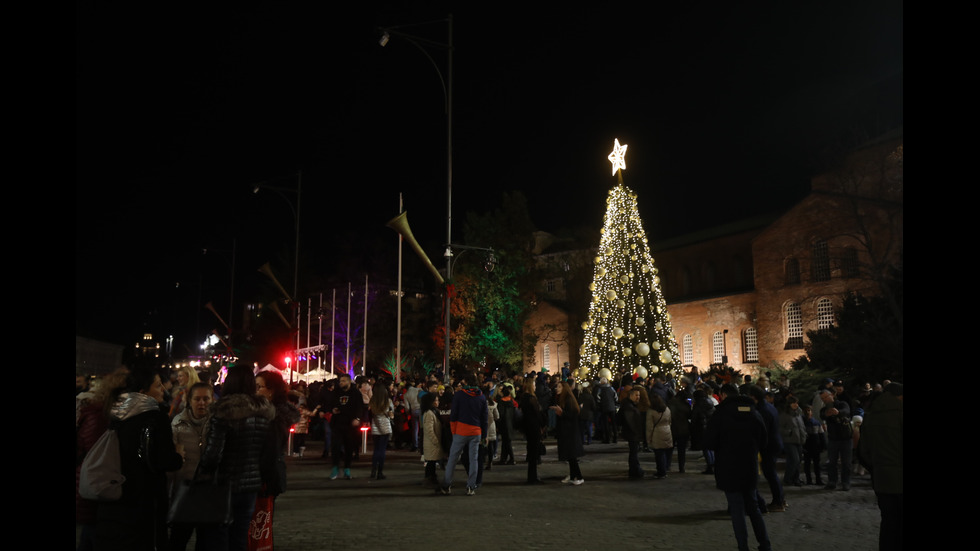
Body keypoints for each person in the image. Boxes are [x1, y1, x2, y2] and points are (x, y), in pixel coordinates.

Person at [95, 367, 184, 551]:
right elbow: (165, 461)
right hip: (146, 499)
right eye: (158, 385)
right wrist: (179, 456)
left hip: (118, 495)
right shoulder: (156, 418)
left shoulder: (116, 415)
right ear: (143, 392)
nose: (163, 390)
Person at [196, 363, 276, 551]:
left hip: (223, 484)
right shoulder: (263, 413)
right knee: (240, 536)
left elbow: (213, 454)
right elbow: (267, 452)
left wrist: (203, 471)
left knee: (219, 536)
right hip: (250, 484)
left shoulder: (224, 411)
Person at [704, 383, 772, 551]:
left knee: (737, 509)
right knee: (753, 507)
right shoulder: (753, 412)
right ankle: (765, 544)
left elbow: (710, 441)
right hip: (749, 464)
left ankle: (743, 546)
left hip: (728, 466)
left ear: (724, 395)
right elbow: (764, 440)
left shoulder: (721, 414)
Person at [76, 368, 126, 551]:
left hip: (94, 487)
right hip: (98, 488)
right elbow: (98, 457)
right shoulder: (100, 417)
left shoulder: (97, 413)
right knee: (95, 534)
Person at [168, 382, 214, 551]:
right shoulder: (178, 424)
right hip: (184, 490)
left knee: (205, 541)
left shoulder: (217, 424)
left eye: (206, 399)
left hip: (208, 490)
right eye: (197, 399)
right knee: (178, 539)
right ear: (189, 401)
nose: (202, 403)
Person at [859, 382, 903, 551]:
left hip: (882, 479)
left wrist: (876, 468)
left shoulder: (871, 415)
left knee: (889, 522)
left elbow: (863, 452)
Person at [439, 372, 489, 495]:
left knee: (453, 459)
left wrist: (454, 430)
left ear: (466, 382)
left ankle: (447, 484)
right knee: (474, 459)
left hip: (461, 429)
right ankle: (471, 486)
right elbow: (484, 418)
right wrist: (484, 434)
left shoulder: (460, 395)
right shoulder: (481, 396)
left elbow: (454, 414)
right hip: (476, 431)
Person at [256, 369, 300, 494]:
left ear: (271, 391)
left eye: (259, 387)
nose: (255, 390)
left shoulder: (275, 417)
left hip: (266, 477)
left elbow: (271, 452)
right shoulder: (262, 412)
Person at [747, 384, 786, 512]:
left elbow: (761, 430)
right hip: (774, 443)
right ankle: (780, 499)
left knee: (770, 474)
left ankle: (778, 501)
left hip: (769, 445)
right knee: (771, 473)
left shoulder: (762, 411)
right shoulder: (768, 406)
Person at [322, 373, 365, 480]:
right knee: (336, 446)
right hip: (337, 423)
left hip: (350, 424)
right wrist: (332, 409)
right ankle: (335, 467)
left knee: (349, 446)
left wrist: (357, 418)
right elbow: (330, 404)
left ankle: (347, 468)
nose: (341, 383)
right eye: (340, 381)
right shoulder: (336, 392)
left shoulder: (355, 393)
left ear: (349, 382)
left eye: (344, 381)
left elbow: (360, 407)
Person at [551, 380, 585, 485]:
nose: (557, 388)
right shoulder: (562, 399)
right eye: (557, 387)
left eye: (560, 387)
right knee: (569, 456)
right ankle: (572, 474)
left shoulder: (569, 399)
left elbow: (573, 415)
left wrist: (561, 413)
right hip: (566, 431)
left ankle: (579, 476)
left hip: (570, 432)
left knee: (572, 455)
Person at [820, 387, 853, 490]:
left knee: (846, 462)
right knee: (832, 462)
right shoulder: (824, 409)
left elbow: (846, 411)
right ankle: (832, 481)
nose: (825, 400)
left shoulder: (842, 404)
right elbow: (822, 415)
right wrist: (827, 414)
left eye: (826, 397)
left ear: (832, 395)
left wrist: (838, 412)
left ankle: (845, 482)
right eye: (823, 399)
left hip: (846, 438)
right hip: (833, 438)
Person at [519, 378, 545, 484]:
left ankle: (532, 476)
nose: (535, 386)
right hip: (533, 426)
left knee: (531, 451)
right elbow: (537, 413)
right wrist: (542, 425)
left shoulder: (523, 397)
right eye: (534, 384)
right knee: (534, 452)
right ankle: (532, 478)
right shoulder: (531, 398)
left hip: (528, 427)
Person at [617, 385, 645, 479]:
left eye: (639, 395)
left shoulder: (629, 405)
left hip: (631, 433)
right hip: (632, 433)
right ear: (631, 395)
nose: (638, 397)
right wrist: (637, 433)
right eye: (636, 395)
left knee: (633, 452)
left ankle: (634, 470)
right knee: (634, 452)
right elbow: (631, 422)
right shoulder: (629, 407)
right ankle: (635, 470)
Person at [779, 395, 807, 488]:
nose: (795, 405)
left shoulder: (798, 414)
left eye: (796, 403)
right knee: (795, 460)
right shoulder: (785, 415)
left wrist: (804, 434)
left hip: (799, 440)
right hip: (789, 440)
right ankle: (788, 478)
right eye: (793, 403)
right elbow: (779, 428)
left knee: (797, 461)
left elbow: (801, 426)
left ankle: (795, 478)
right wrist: (788, 432)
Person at [368, 381, 394, 479]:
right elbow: (391, 416)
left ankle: (373, 471)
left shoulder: (372, 401)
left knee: (376, 450)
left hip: (375, 427)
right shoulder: (388, 401)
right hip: (385, 427)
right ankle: (380, 472)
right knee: (382, 450)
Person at [420, 391, 447, 487]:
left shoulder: (435, 411)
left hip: (433, 442)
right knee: (431, 462)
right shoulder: (429, 413)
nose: (438, 402)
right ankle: (429, 479)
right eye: (436, 400)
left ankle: (431, 477)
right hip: (431, 443)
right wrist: (436, 441)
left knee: (432, 462)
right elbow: (429, 430)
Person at [646, 392, 673, 479]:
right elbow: (669, 421)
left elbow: (649, 426)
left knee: (659, 454)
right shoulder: (667, 409)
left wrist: (648, 438)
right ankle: (665, 468)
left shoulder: (651, 412)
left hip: (657, 432)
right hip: (667, 431)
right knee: (666, 452)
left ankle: (661, 472)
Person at [691, 388, 716, 474]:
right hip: (711, 426)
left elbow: (694, 417)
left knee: (705, 448)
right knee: (710, 447)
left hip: (702, 428)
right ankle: (712, 464)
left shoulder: (698, 404)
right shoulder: (709, 402)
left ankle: (709, 466)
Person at [667, 389, 692, 473]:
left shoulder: (670, 403)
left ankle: (667, 465)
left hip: (672, 428)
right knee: (682, 451)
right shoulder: (686, 405)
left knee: (670, 448)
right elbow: (689, 415)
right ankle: (681, 467)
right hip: (683, 429)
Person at [801, 404, 826, 485]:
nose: (808, 412)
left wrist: (823, 445)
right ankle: (809, 480)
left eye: (809, 410)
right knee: (807, 464)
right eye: (806, 410)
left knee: (816, 464)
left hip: (815, 446)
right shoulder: (802, 422)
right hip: (807, 446)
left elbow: (821, 434)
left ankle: (818, 479)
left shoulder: (816, 422)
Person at [495, 384, 519, 465]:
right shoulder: (511, 401)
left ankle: (511, 459)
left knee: (506, 442)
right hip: (510, 423)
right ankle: (504, 458)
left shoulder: (501, 402)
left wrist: (498, 425)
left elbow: (500, 415)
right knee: (506, 442)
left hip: (504, 424)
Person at [596, 377, 618, 443]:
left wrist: (600, 404)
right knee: (614, 423)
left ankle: (607, 438)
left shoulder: (600, 389)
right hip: (612, 407)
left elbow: (598, 398)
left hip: (604, 408)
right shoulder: (611, 388)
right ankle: (615, 438)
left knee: (606, 424)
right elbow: (616, 397)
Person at [403, 378, 422, 452]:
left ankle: (415, 445)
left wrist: (408, 413)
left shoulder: (406, 394)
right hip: (421, 409)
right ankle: (422, 444)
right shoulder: (418, 390)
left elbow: (407, 407)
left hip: (414, 411)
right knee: (423, 428)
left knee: (415, 429)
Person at [576, 380, 596, 445]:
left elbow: (578, 405)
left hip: (581, 415)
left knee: (582, 429)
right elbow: (593, 406)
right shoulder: (590, 397)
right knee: (589, 428)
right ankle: (589, 440)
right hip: (589, 415)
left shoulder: (580, 397)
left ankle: (583, 440)